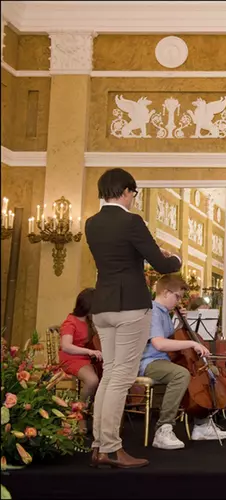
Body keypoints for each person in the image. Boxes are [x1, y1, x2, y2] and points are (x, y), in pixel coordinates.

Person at [86, 168, 182, 468]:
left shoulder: (91, 223)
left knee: (110, 375)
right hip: (130, 307)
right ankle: (112, 448)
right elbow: (162, 264)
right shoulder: (132, 221)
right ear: (126, 191)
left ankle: (99, 445)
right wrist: (174, 257)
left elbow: (118, 259)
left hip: (102, 307)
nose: (133, 199)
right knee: (121, 379)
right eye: (133, 194)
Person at [139, 274, 226, 449]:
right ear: (165, 292)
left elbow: (172, 338)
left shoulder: (165, 313)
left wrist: (181, 323)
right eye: (177, 296)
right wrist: (191, 342)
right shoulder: (153, 311)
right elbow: (159, 343)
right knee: (181, 374)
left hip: (165, 360)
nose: (179, 301)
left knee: (209, 372)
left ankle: (201, 425)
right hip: (149, 361)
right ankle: (163, 429)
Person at [58, 288, 102, 432]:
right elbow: (66, 346)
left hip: (84, 358)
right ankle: (79, 413)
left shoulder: (89, 321)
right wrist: (90, 351)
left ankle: (100, 416)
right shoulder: (70, 322)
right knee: (92, 380)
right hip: (71, 358)